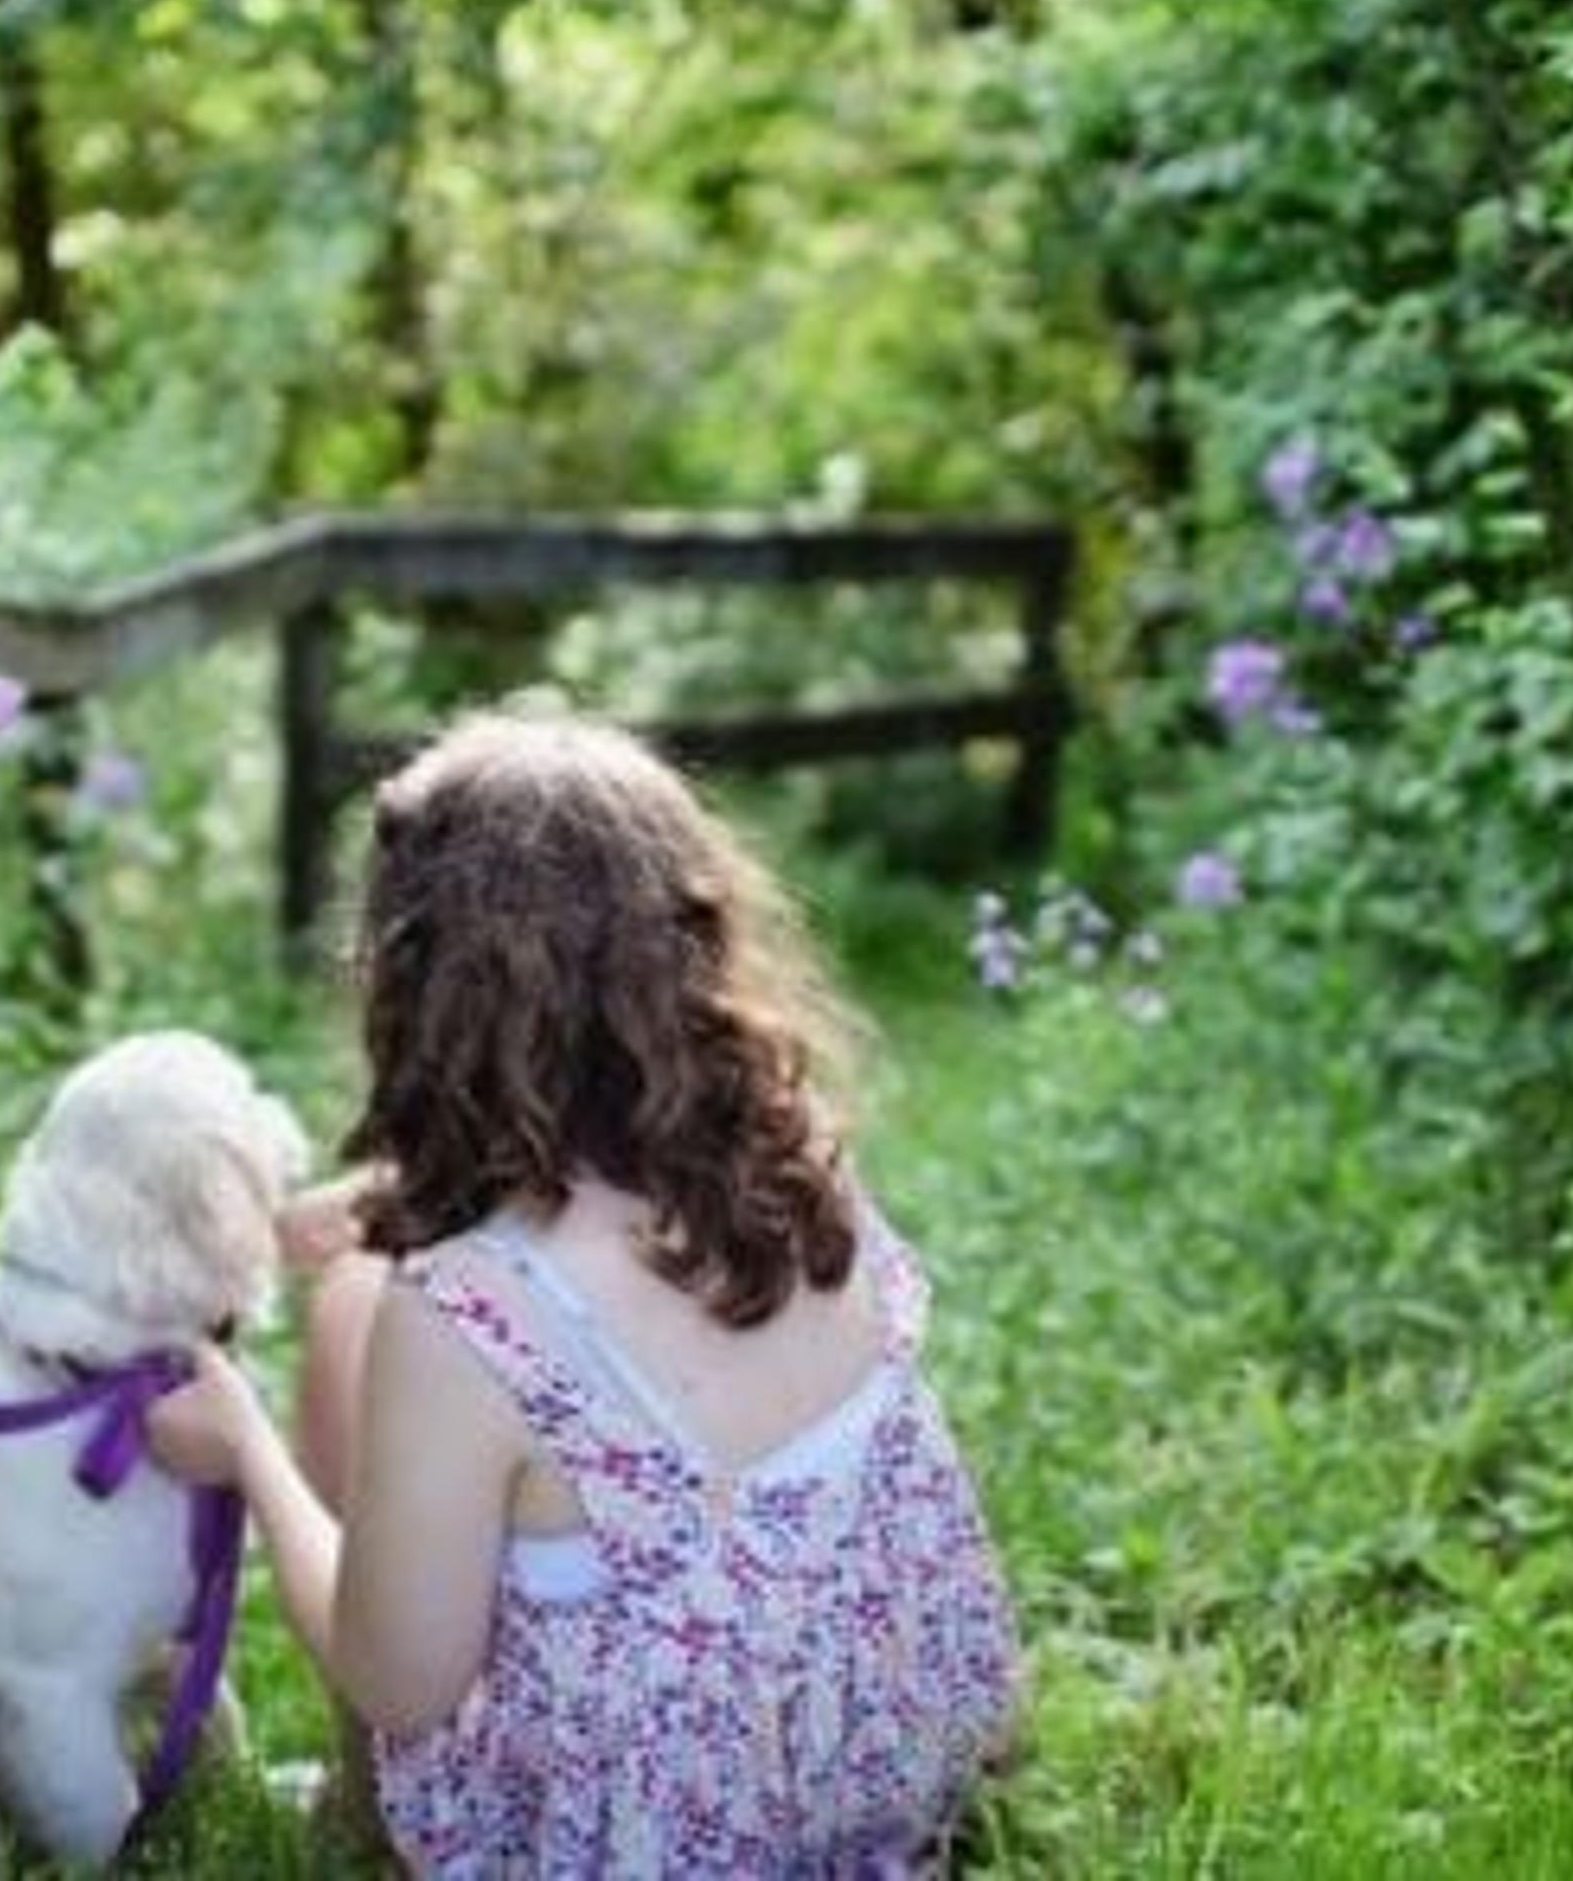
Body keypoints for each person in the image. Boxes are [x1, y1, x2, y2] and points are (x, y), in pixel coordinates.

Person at [144, 707, 1020, 1875]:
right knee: (375, 1298)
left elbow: (403, 1688)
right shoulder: (802, 1171)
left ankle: (362, 1817)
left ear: (423, 989)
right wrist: (393, 1192)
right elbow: (604, 1226)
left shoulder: (463, 1318)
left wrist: (247, 1447)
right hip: (882, 1784)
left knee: (359, 1306)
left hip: (644, 1846)